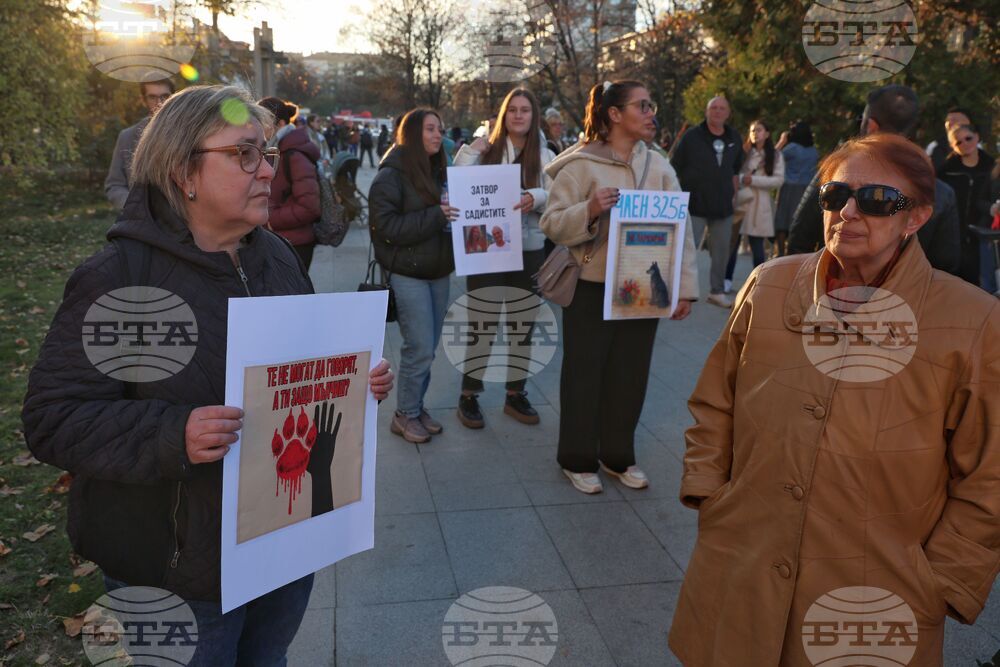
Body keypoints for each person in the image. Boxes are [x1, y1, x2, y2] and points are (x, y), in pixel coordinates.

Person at [22, 85, 394, 665]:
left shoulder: (275, 256)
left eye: (267, 154)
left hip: (281, 542)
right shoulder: (121, 281)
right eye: (245, 154)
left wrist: (353, 384)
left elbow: (300, 372)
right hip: (174, 567)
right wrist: (174, 435)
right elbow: (53, 419)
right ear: (182, 171)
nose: (267, 171)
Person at [669, 132, 1000, 665]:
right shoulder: (769, 284)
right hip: (741, 566)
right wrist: (712, 498)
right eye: (833, 195)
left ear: (915, 217)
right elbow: (715, 403)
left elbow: (990, 473)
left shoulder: (973, 320)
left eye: (874, 201)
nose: (847, 211)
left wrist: (938, 581)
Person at [540, 80, 699, 494]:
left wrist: (684, 288)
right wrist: (589, 210)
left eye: (651, 106)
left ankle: (617, 456)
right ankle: (577, 459)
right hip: (591, 289)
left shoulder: (660, 167)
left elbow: (680, 230)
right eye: (642, 106)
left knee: (630, 377)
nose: (651, 114)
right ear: (614, 114)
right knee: (584, 376)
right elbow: (552, 224)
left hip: (643, 289)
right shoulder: (579, 165)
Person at [453, 88, 556, 429]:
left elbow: (559, 192)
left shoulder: (543, 153)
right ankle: (469, 394)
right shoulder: (488, 146)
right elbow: (459, 180)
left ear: (533, 115)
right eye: (512, 110)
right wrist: (472, 150)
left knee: (522, 325)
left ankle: (516, 394)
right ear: (502, 115)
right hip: (487, 250)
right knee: (481, 322)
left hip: (528, 250)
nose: (518, 115)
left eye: (525, 109)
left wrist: (535, 196)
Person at [787, 85, 961, 276]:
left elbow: (798, 240)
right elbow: (946, 263)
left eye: (878, 201)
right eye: (837, 195)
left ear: (871, 125)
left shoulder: (838, 173)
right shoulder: (939, 192)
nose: (847, 212)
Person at [369, 108, 459, 444]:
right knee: (419, 346)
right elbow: (386, 229)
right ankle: (404, 414)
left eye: (440, 128)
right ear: (412, 134)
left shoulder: (438, 170)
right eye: (431, 129)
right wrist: (436, 216)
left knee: (429, 347)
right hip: (409, 273)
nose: (438, 135)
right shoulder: (391, 175)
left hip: (438, 271)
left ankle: (415, 406)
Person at [670, 95, 745, 308]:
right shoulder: (692, 136)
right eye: (714, 108)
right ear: (706, 111)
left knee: (722, 251)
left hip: (723, 206)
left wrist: (734, 197)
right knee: (684, 250)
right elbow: (674, 167)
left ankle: (717, 291)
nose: (718, 112)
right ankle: (676, 291)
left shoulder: (734, 138)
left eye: (722, 108)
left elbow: (735, 171)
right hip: (693, 205)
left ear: (728, 113)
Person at [258, 97, 321, 271]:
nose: (258, 128)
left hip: (295, 243)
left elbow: (310, 206)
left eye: (261, 122)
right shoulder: (278, 148)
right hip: (282, 239)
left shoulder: (293, 153)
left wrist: (271, 220)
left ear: (280, 123)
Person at [725, 119, 784, 290]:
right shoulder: (743, 152)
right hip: (741, 202)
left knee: (757, 247)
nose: (755, 133)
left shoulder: (775, 155)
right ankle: (726, 281)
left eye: (759, 130)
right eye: (752, 130)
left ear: (767, 133)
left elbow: (778, 180)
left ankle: (760, 284)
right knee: (732, 244)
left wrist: (754, 180)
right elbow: (733, 174)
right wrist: (744, 179)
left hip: (760, 205)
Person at [938, 123, 996, 292]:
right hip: (953, 236)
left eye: (968, 138)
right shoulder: (945, 171)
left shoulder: (991, 166)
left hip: (983, 235)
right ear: (952, 146)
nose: (964, 144)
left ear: (977, 137)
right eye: (958, 142)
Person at [105, 77, 175, 210]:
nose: (160, 103)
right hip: (142, 221)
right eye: (152, 97)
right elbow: (114, 185)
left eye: (165, 96)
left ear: (174, 97)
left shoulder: (187, 134)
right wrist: (136, 207)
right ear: (143, 100)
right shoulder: (127, 137)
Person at [772, 121, 818, 258]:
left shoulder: (792, 148)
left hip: (789, 187)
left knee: (782, 220)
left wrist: (782, 140)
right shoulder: (814, 151)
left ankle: (780, 253)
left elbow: (773, 157)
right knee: (798, 221)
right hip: (806, 188)